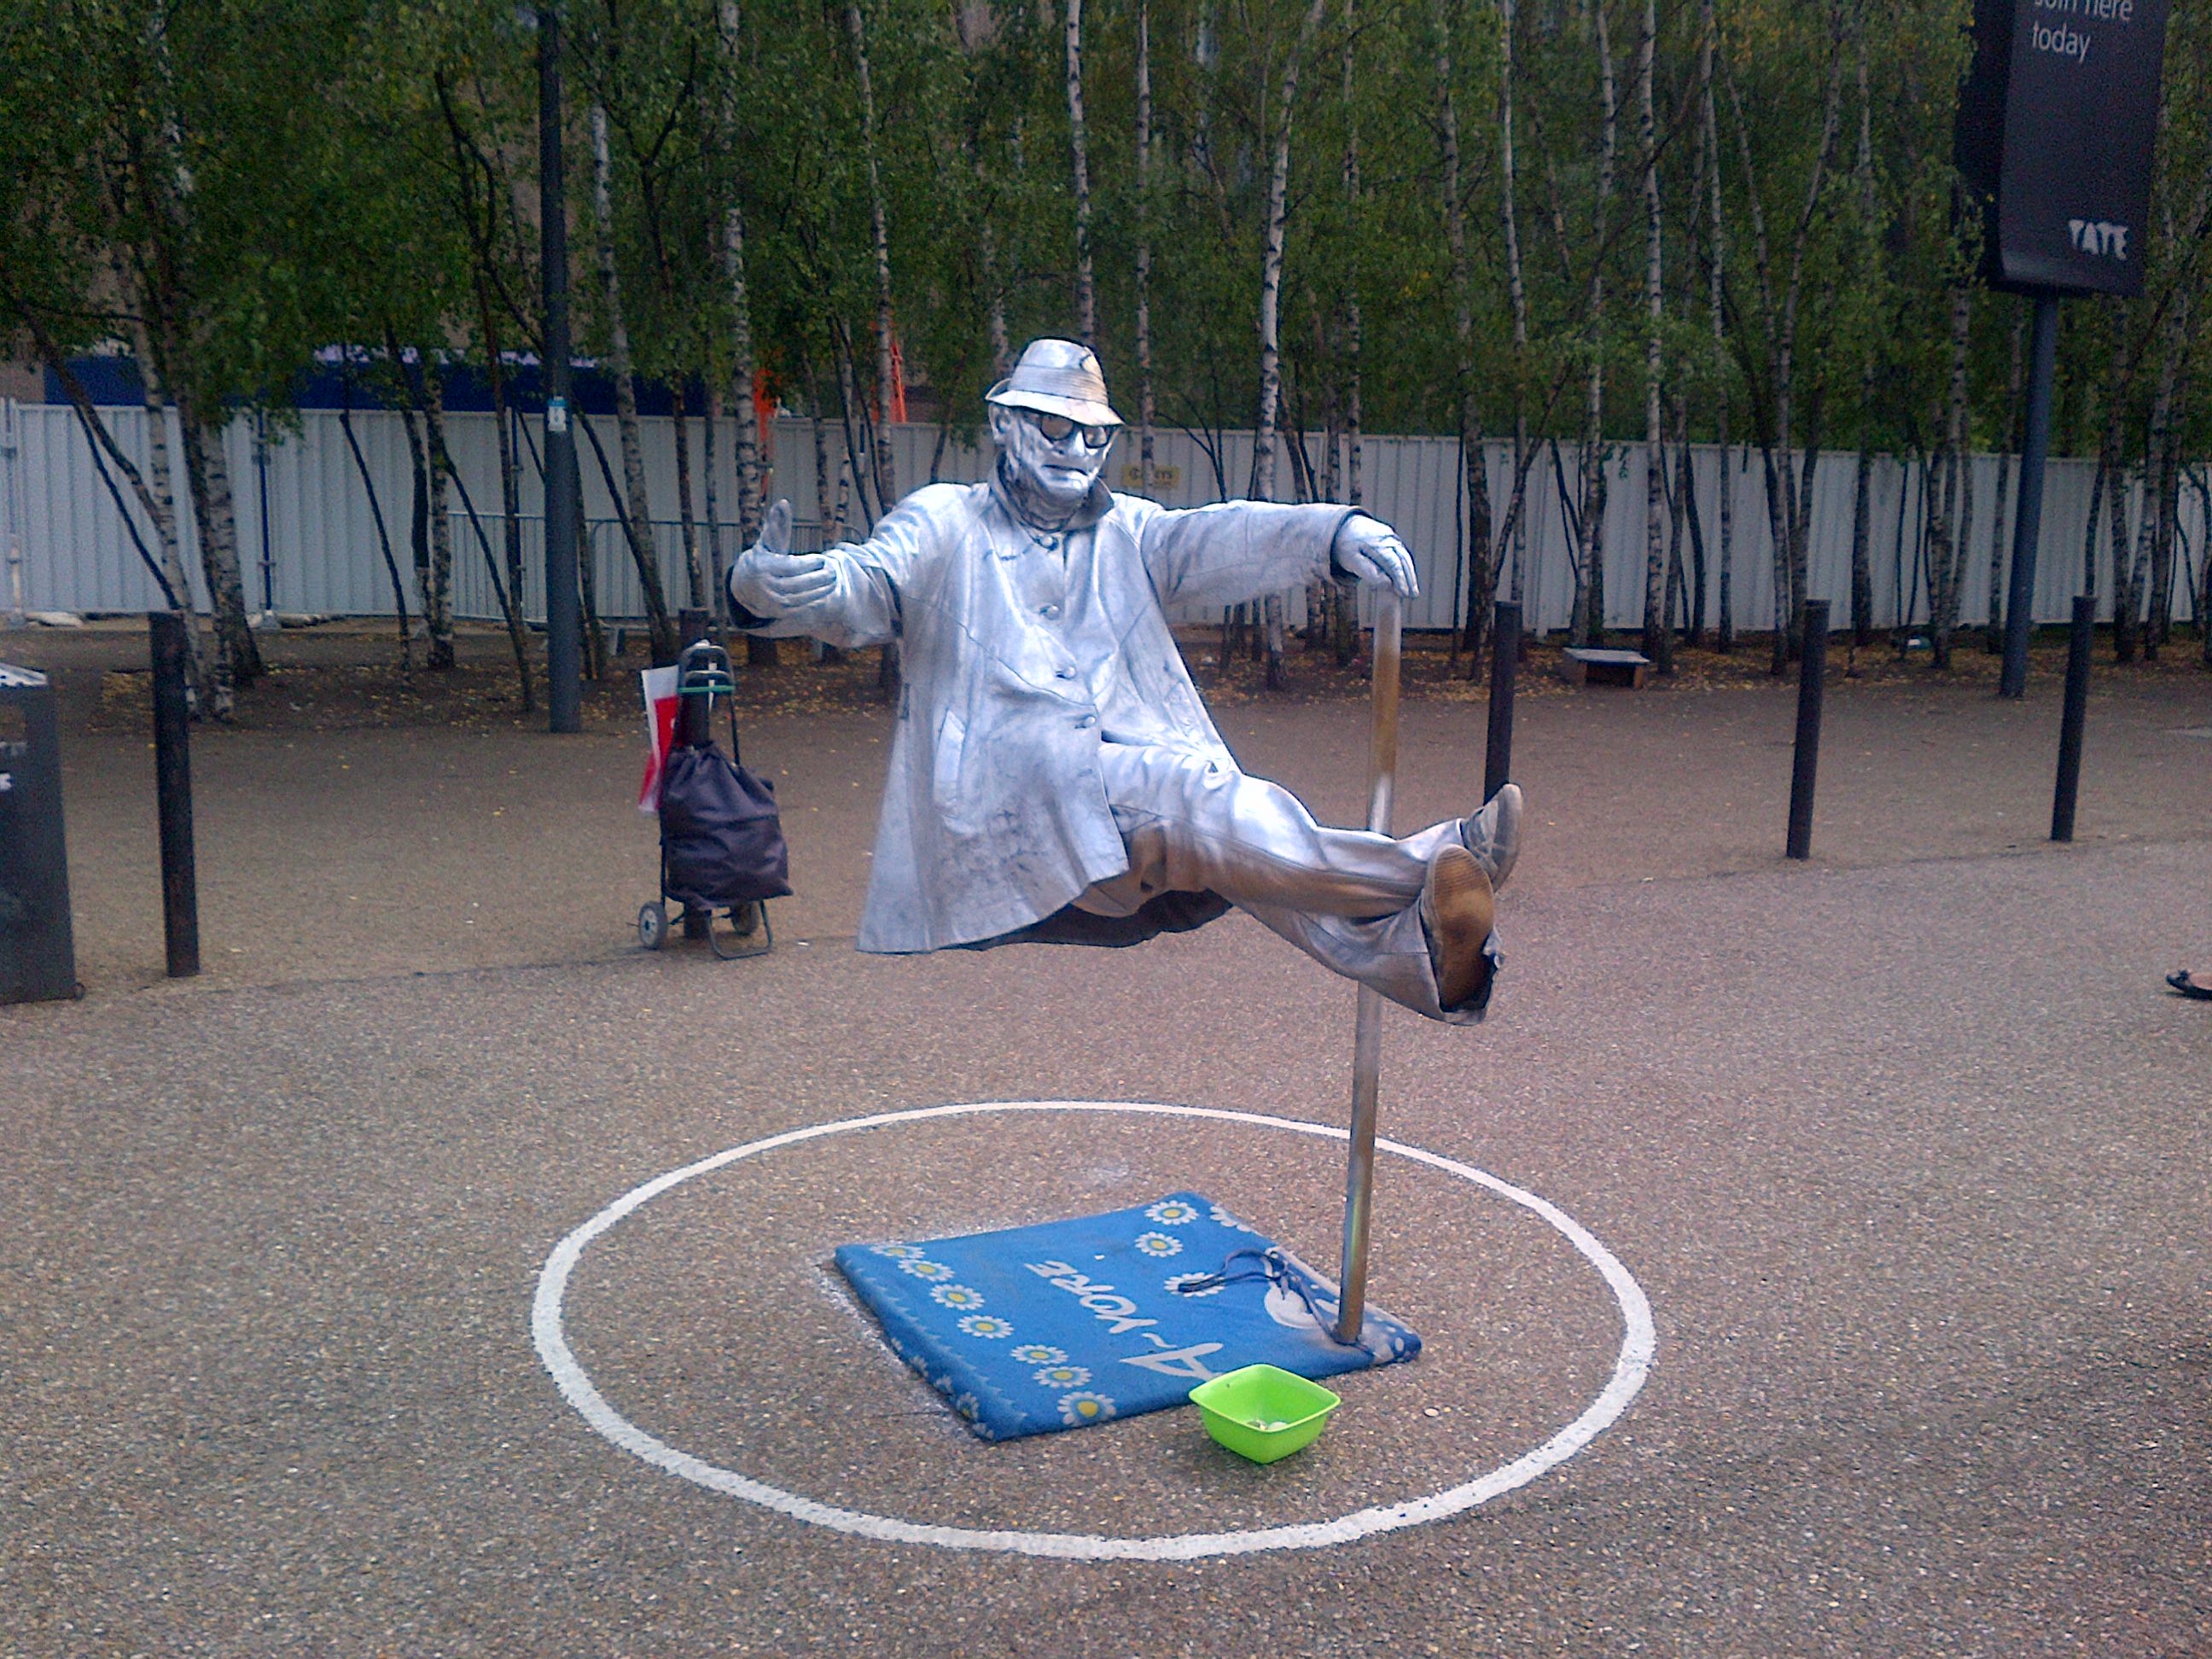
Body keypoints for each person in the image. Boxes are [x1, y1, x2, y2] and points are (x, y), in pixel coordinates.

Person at [726, 337, 1520, 1022]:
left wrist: (1332, 533)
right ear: (1003, 423)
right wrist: (770, 591)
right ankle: (1436, 862)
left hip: (1119, 831)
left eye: (1094, 435)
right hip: (1018, 817)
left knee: (1250, 853)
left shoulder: (1128, 531)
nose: (1076, 448)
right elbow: (863, 585)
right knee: (1205, 798)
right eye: (1055, 426)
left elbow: (1218, 537)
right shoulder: (944, 524)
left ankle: (1431, 964)